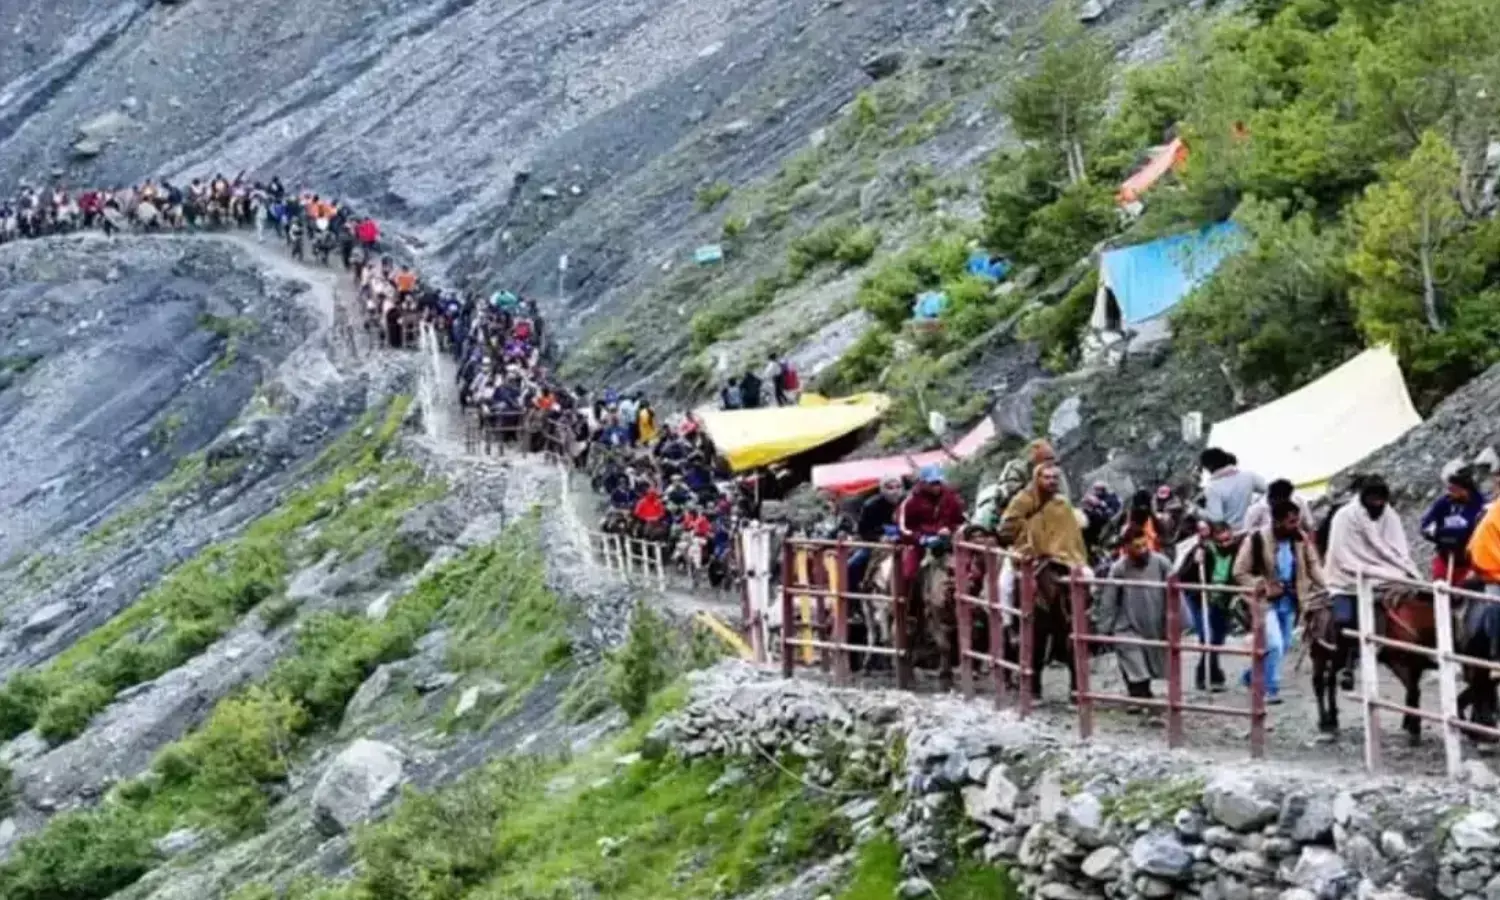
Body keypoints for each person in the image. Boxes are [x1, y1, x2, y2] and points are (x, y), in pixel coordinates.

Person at [1234, 499, 1324, 704]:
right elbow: (1239, 571)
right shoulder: (1256, 539)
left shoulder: (1300, 539)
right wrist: (1263, 585)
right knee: (1274, 644)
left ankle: (1251, 676)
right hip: (1264, 602)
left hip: (1291, 600)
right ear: (1277, 522)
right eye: (1291, 522)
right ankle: (1269, 689)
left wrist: (1327, 586)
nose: (1296, 525)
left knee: (1283, 645)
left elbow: (1313, 565)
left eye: (1297, 520)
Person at [898, 465, 967, 685]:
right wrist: (922, 538)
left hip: (946, 546)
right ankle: (908, 610)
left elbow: (961, 521)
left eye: (938, 482)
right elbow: (904, 528)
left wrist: (951, 532)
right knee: (908, 574)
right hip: (921, 545)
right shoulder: (911, 501)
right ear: (923, 483)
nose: (937, 486)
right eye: (932, 483)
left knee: (968, 570)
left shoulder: (951, 498)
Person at [1323, 476, 1421, 628]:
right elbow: (1343, 557)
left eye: (1380, 500)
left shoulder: (1389, 516)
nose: (1377, 504)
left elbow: (1398, 550)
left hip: (1385, 574)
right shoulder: (1344, 517)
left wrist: (1400, 570)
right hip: (1346, 582)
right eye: (1373, 499)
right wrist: (1368, 571)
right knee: (1343, 622)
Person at [1097, 527, 1173, 700]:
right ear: (1127, 548)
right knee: (1133, 661)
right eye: (1137, 547)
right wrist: (1104, 628)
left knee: (1150, 663)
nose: (1143, 550)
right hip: (1127, 624)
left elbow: (1175, 594)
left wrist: (1174, 623)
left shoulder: (1161, 563)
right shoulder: (1119, 568)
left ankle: (1144, 696)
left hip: (1154, 623)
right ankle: (1138, 697)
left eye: (1144, 545)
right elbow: (1109, 599)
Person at [1175, 520, 1240, 692]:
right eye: (1221, 541)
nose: (1225, 545)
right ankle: (1207, 676)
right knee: (1208, 637)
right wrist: (1195, 563)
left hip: (1222, 600)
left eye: (1228, 540)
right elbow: (1182, 575)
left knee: (1218, 638)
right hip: (1200, 598)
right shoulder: (1202, 550)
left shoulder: (1237, 550)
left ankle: (1210, 672)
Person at [976, 439, 1071, 531]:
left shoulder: (1056, 473)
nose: (1049, 462)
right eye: (1046, 458)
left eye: (1051, 458)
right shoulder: (1017, 468)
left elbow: (1064, 498)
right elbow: (1012, 492)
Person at [1420, 469, 1486, 584]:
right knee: (1439, 587)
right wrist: (1443, 535)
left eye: (1453, 489)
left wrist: (1460, 535)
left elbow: (1479, 531)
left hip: (1470, 561)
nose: (1450, 492)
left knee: (1466, 588)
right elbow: (1426, 526)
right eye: (1449, 488)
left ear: (1465, 489)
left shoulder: (1480, 505)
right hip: (1445, 557)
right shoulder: (1444, 503)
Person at [849, 476, 905, 588]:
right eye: (890, 487)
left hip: (905, 543)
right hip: (876, 545)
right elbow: (863, 531)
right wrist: (879, 538)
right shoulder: (871, 505)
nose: (895, 491)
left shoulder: (908, 502)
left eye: (898, 487)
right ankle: (854, 594)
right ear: (882, 489)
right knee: (853, 565)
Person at [1200, 447, 1267, 532]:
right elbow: (1272, 491)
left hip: (1232, 534)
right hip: (1255, 529)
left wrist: (1197, 512)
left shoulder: (1212, 488)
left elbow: (1216, 519)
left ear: (1209, 466)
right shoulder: (1248, 476)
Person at [1242, 479, 1313, 536]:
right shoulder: (1255, 510)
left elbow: (1310, 526)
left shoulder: (1298, 501)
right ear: (1273, 498)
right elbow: (1247, 532)